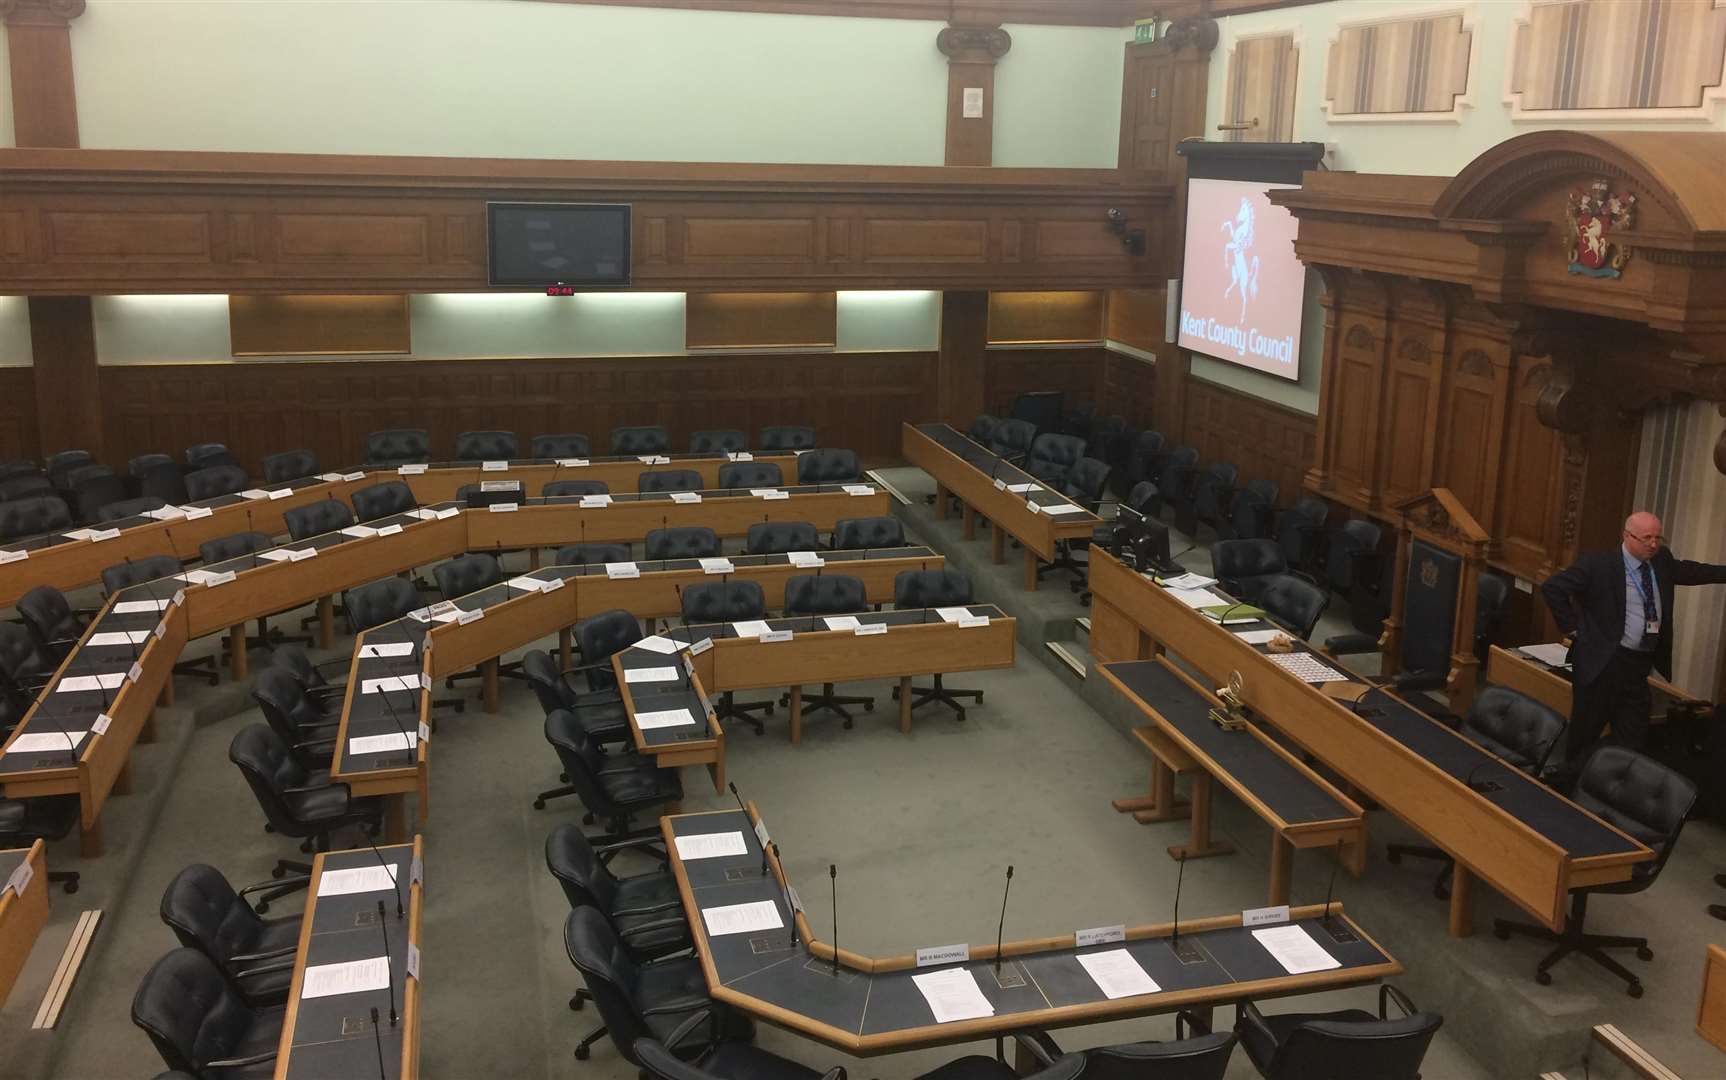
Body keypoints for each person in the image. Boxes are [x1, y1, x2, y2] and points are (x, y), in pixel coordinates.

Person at [1541, 511, 1726, 764]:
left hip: (1638, 667)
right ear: (1627, 536)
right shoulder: (1598, 564)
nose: (1653, 544)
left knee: (1632, 740)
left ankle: (1607, 789)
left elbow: (1691, 571)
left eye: (1657, 537)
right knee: (1584, 738)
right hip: (1603, 665)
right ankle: (1568, 790)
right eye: (1646, 538)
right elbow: (1553, 588)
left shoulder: (1661, 560)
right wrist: (1573, 629)